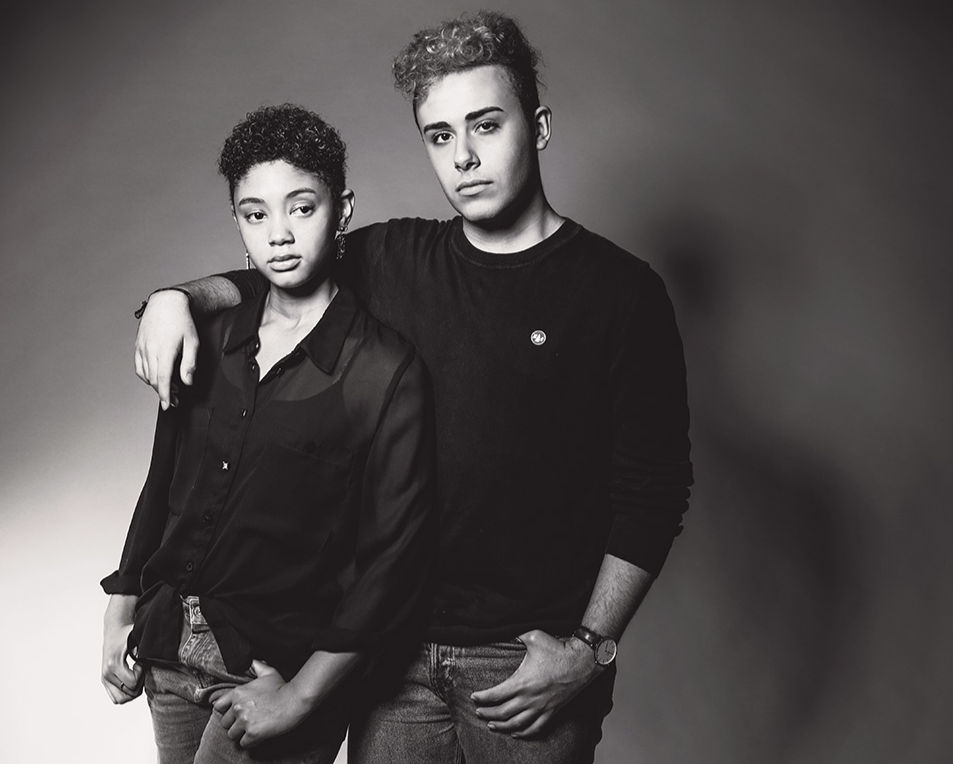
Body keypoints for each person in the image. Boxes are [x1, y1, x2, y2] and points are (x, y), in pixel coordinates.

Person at [132, 11, 693, 764]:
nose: (463, 156)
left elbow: (655, 492)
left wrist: (589, 649)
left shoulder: (620, 293)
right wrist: (174, 298)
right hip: (390, 659)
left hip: (522, 664)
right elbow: (272, 275)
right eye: (439, 135)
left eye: (486, 125)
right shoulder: (395, 257)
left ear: (538, 128)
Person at [100, 104, 435, 764]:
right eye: (255, 215)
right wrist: (121, 609)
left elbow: (393, 562)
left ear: (342, 212)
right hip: (166, 649)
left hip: (271, 672)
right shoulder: (209, 336)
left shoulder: (383, 369)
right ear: (238, 222)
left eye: (301, 208)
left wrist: (303, 697)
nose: (278, 234)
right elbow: (163, 485)